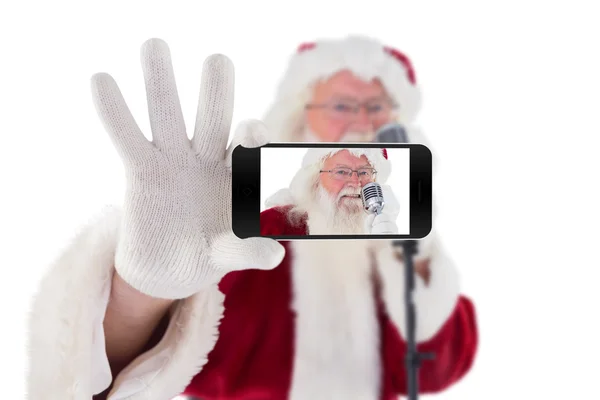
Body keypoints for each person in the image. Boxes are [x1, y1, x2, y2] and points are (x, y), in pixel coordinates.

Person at [27, 35, 478, 400]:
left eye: (376, 108)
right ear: (302, 127)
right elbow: (122, 382)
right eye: (341, 106)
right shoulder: (254, 238)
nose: (360, 124)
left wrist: (414, 266)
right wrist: (141, 296)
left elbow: (435, 373)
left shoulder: (401, 251)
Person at [262, 147, 401, 236]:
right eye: (341, 171)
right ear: (315, 179)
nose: (355, 182)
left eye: (364, 172)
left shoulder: (381, 227)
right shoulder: (272, 225)